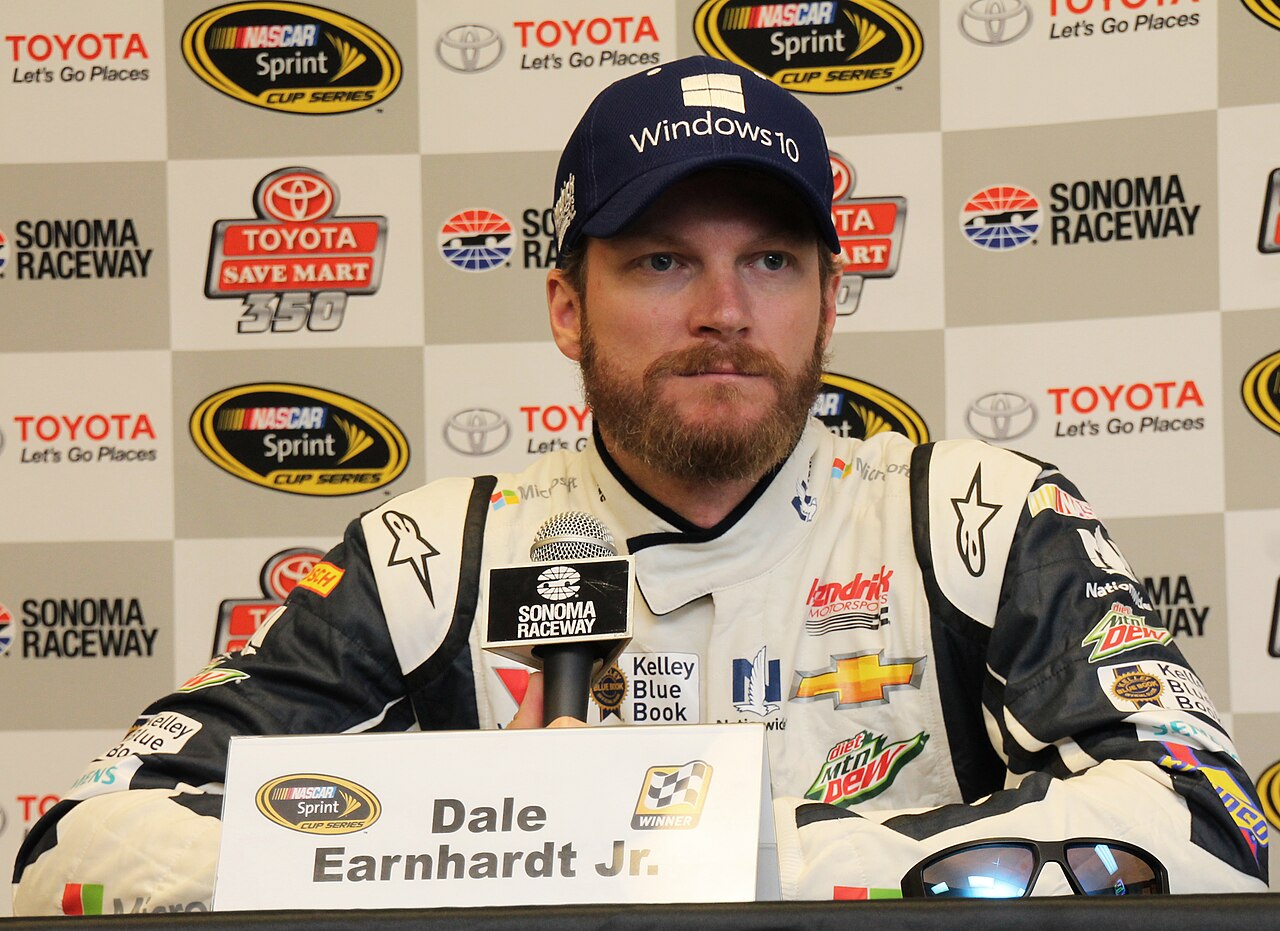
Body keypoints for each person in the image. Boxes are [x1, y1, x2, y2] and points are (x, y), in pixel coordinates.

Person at [12, 56, 1268, 914]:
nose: (724, 311)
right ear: (567, 304)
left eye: (770, 261)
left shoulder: (973, 514)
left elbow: (1208, 820)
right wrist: (478, 833)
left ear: (830, 298)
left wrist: (683, 853)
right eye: (663, 260)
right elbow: (76, 844)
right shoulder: (431, 553)